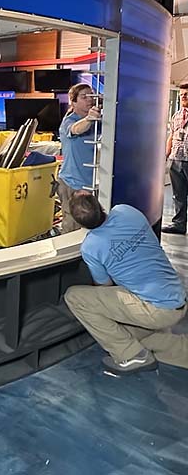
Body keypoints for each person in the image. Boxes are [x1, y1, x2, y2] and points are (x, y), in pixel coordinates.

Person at [62, 191, 188, 374]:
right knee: (130, 334)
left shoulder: (91, 246)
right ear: (99, 204)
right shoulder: (126, 211)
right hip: (177, 297)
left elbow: (104, 287)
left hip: (156, 309)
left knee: (75, 297)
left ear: (78, 223)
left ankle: (131, 356)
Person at [58, 83, 101, 232]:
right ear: (73, 102)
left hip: (90, 184)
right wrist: (89, 119)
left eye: (91, 95)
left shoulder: (97, 122)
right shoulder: (68, 121)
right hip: (72, 183)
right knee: (71, 228)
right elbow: (76, 129)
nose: (89, 99)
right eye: (84, 97)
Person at [164, 84, 188, 234]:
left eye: (186, 94)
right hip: (176, 159)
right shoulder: (176, 115)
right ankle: (179, 224)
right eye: (182, 94)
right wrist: (165, 156)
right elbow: (172, 137)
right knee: (178, 195)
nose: (184, 96)